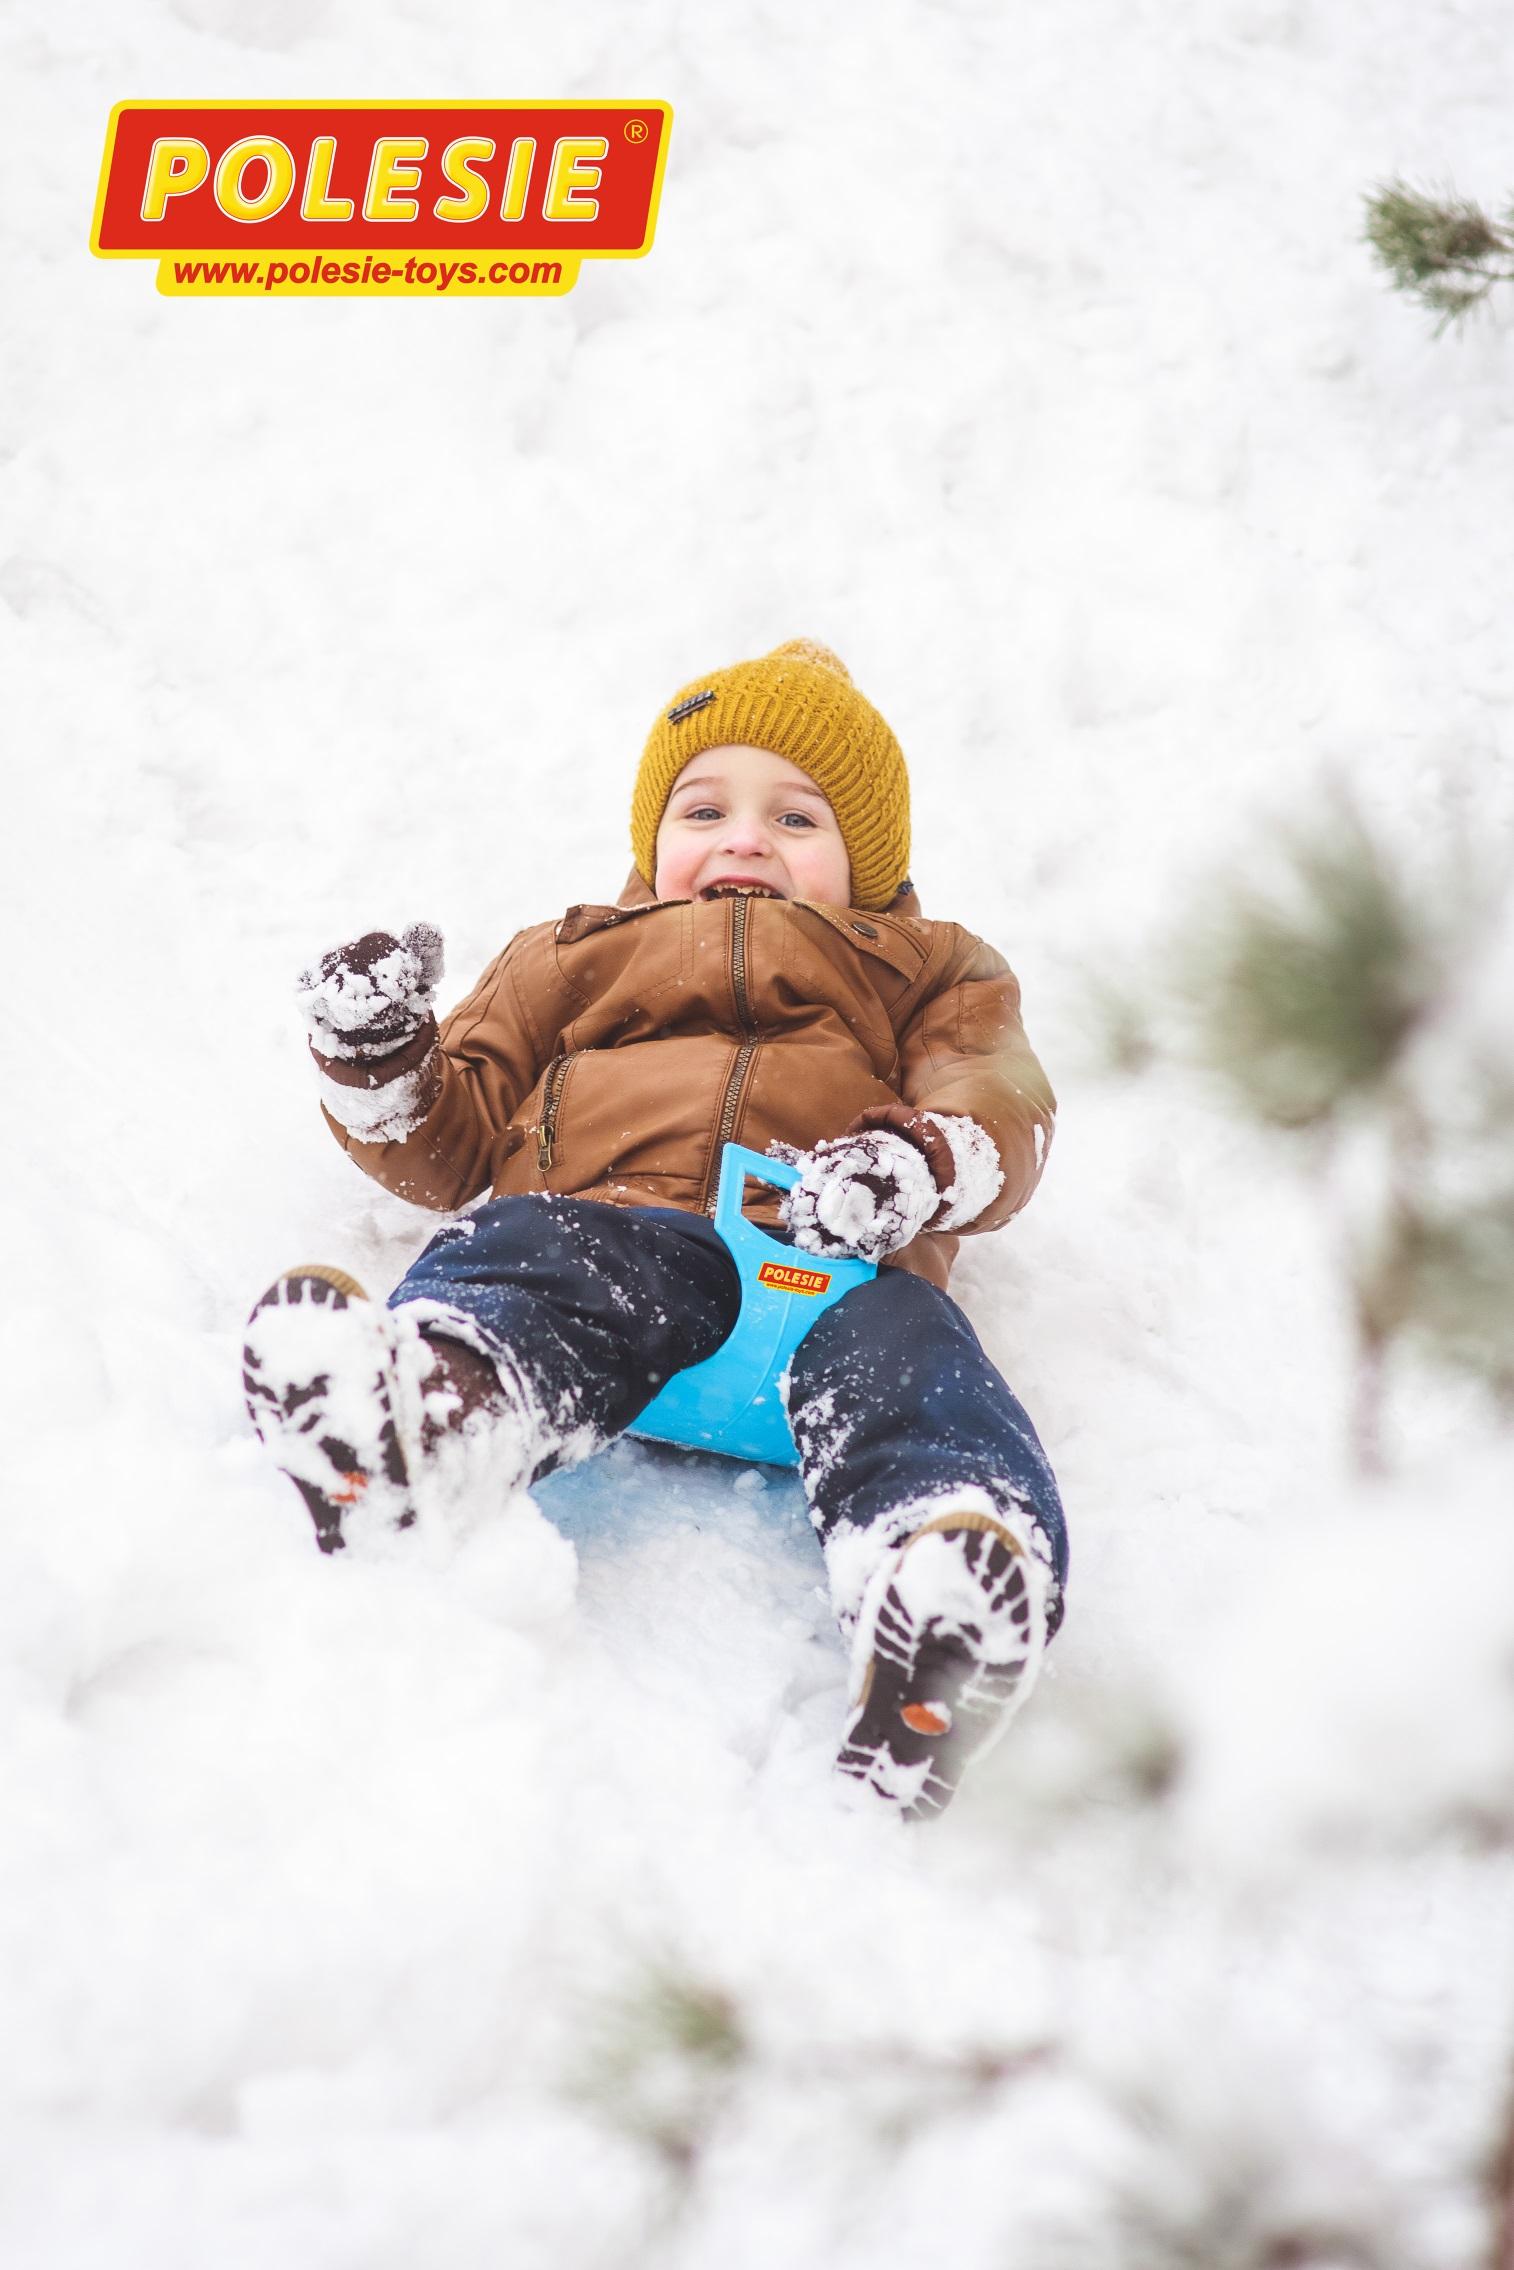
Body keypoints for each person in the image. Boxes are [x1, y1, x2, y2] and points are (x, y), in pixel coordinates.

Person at [243, 639, 1066, 1819]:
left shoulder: (925, 967)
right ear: (653, 839)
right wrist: (381, 1063)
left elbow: (995, 1094)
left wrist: (920, 1161)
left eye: (795, 817)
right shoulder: (567, 957)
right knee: (531, 1256)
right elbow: (454, 1138)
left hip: (827, 1270)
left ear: (864, 867)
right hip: (617, 1239)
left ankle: (939, 1584)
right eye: (704, 806)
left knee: (917, 1361)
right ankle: (436, 1417)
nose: (742, 838)